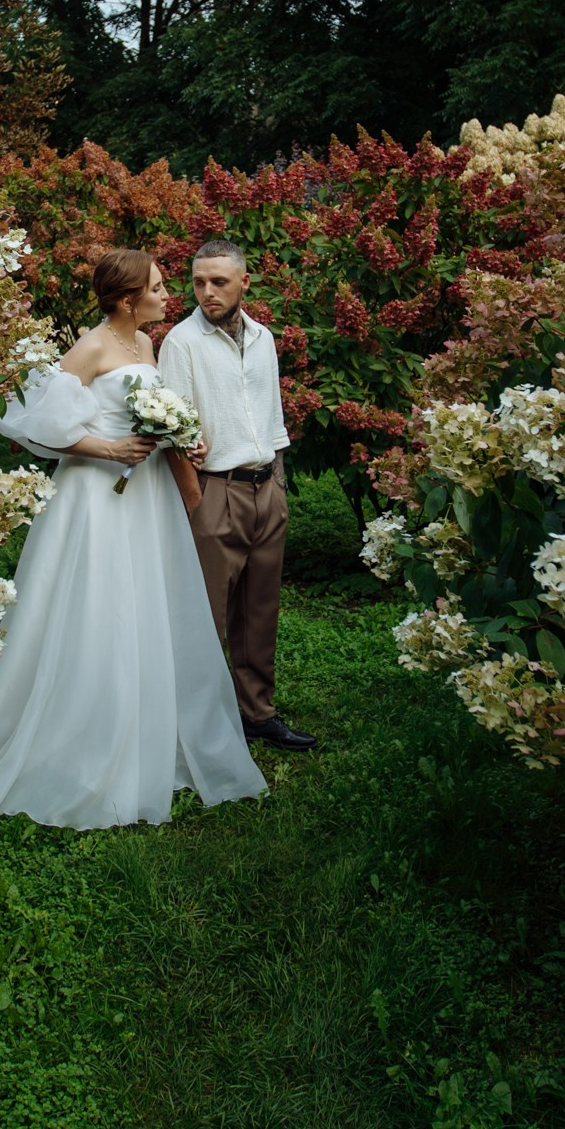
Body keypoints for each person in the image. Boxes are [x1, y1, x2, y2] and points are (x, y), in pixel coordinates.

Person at [0, 248, 268, 828]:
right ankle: (81, 737)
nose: (167, 295)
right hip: (95, 495)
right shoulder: (91, 347)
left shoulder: (146, 345)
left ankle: (148, 724)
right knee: (98, 604)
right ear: (127, 300)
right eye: (157, 288)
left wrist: (180, 437)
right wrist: (108, 448)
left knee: (147, 602)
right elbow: (37, 423)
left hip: (147, 493)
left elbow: (151, 414)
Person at [156, 239, 321, 753]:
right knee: (205, 617)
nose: (206, 291)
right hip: (214, 492)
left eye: (219, 282)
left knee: (259, 610)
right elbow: (172, 432)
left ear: (244, 282)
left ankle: (258, 714)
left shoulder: (264, 337)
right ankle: (195, 727)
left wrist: (279, 484)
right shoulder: (181, 343)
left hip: (266, 488)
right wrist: (195, 504)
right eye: (198, 282)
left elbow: (271, 416)